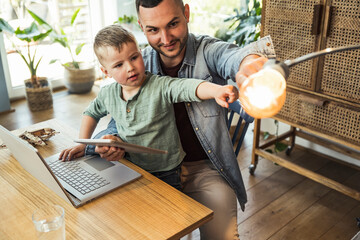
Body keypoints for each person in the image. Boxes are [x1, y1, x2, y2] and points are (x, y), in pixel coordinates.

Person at [86, 0, 276, 239]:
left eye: (173, 24)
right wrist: (111, 138)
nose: (165, 39)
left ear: (186, 13)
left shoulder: (208, 50)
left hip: (205, 169)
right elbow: (120, 115)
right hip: (151, 170)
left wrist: (248, 64)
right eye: (153, 30)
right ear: (141, 26)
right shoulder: (135, 63)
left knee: (223, 236)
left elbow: (233, 56)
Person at [59, 24, 239, 181]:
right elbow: (91, 113)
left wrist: (216, 90)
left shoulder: (159, 85)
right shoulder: (107, 94)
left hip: (167, 170)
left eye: (134, 57)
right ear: (106, 72)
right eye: (118, 65)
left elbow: (187, 87)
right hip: (130, 163)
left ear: (140, 54)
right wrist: (83, 143)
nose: (130, 68)